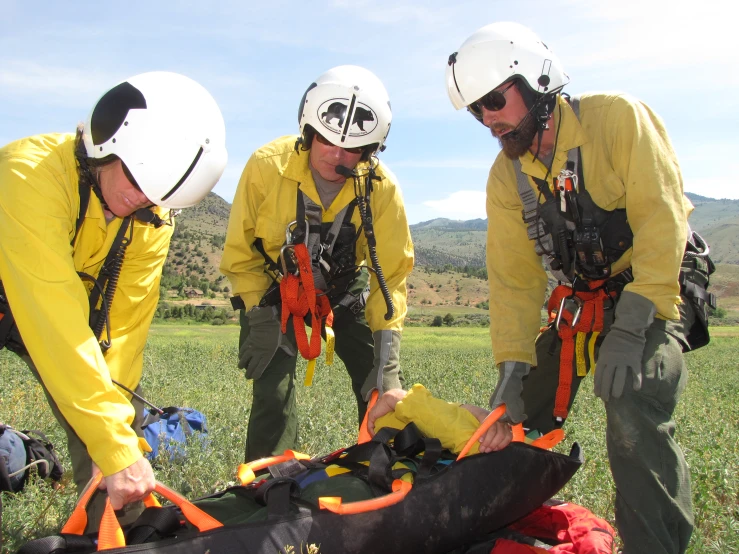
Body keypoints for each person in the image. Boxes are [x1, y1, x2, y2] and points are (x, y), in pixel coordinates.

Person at [443, 22, 716, 554]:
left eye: (496, 99)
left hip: (657, 285)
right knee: (511, 422)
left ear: (538, 81)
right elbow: (514, 282)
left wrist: (634, 324)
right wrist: (512, 372)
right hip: (581, 304)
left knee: (633, 398)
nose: (489, 119)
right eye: (478, 110)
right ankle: (491, 530)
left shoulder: (617, 120)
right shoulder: (506, 178)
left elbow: (664, 225)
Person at [0, 71, 227, 527]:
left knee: (114, 426)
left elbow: (122, 331)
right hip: (29, 300)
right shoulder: (28, 176)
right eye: (136, 181)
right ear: (106, 143)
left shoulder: (152, 217)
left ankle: (112, 529)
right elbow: (55, 320)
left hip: (55, 317)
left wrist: (116, 442)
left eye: (154, 197)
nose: (139, 199)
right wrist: (113, 443)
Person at [221, 65, 414, 462]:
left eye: (352, 149)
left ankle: (386, 471)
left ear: (370, 150)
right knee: (272, 394)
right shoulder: (265, 166)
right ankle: (264, 486)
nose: (337, 155)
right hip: (278, 296)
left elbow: (389, 276)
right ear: (309, 131)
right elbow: (241, 252)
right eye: (327, 141)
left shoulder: (382, 189)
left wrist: (388, 361)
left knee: (381, 389)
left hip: (346, 295)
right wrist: (257, 314)